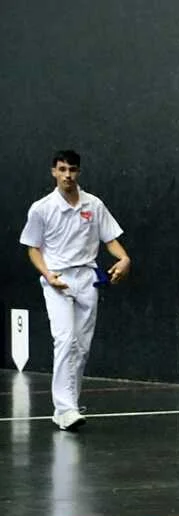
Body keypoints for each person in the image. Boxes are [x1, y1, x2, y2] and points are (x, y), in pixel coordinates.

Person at [20, 149, 132, 431]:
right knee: (65, 339)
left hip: (87, 280)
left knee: (81, 347)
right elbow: (33, 248)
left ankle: (68, 406)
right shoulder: (41, 208)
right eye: (62, 169)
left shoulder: (94, 204)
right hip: (57, 279)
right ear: (53, 172)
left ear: (78, 172)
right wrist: (48, 274)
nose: (67, 175)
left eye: (72, 170)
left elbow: (110, 239)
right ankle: (65, 408)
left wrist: (124, 259)